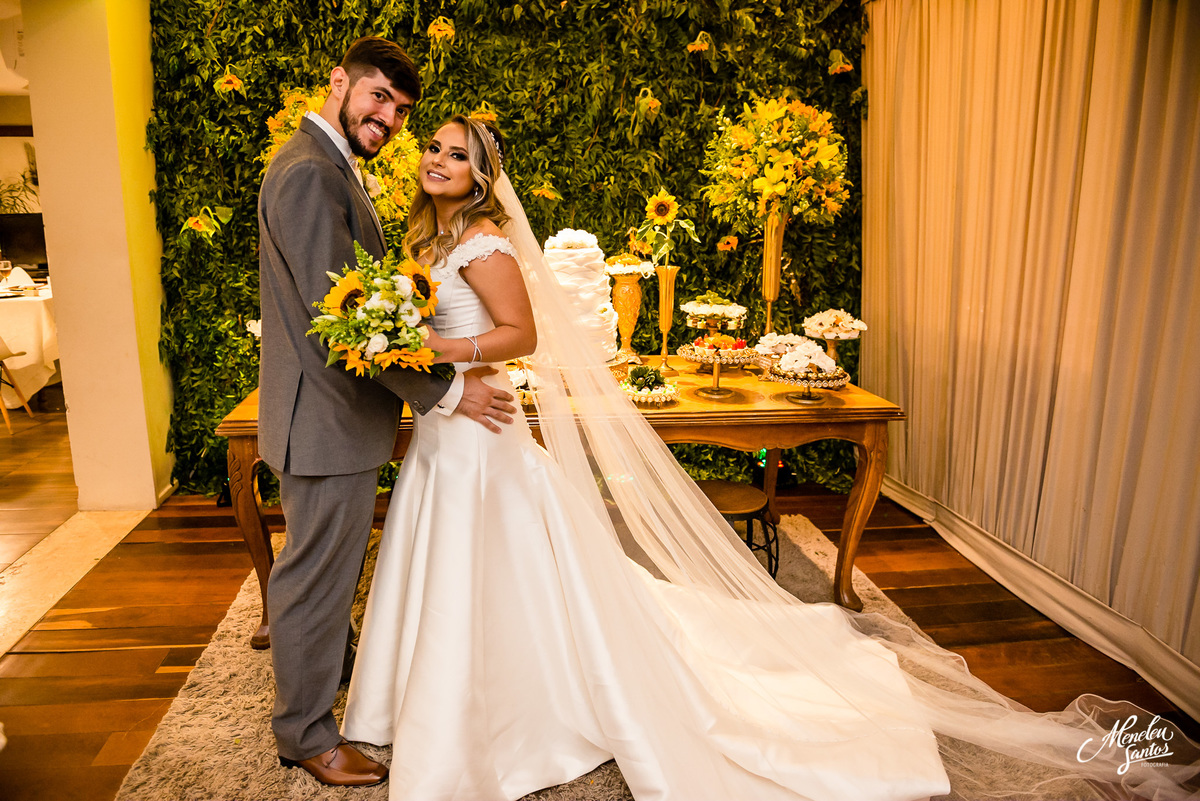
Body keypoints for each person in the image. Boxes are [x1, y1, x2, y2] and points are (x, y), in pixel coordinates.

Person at [341, 115, 1200, 800]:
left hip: (482, 433)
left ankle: (506, 710)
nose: (437, 161)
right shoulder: (430, 244)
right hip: (453, 431)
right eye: (434, 149)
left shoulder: (486, 243)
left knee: (499, 571)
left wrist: (431, 348)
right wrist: (410, 345)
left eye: (457, 154)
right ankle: (422, 694)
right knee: (452, 566)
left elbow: (520, 333)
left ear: (485, 174)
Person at [256, 39, 515, 787]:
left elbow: (360, 314)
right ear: (339, 84)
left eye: (401, 110)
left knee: (325, 573)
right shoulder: (310, 174)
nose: (389, 117)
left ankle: (317, 693)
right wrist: (450, 391)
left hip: (330, 419)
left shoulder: (332, 166)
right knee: (314, 578)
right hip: (326, 419)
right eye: (378, 98)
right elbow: (342, 326)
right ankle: (306, 734)